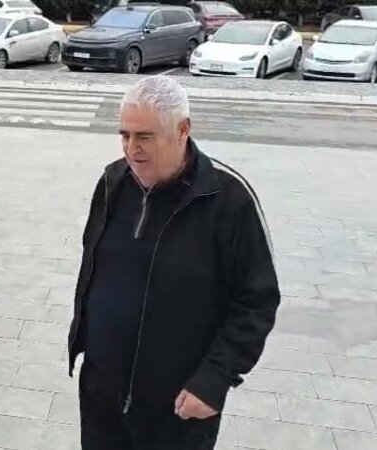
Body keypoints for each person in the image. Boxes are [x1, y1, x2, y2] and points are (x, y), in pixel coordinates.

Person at [67, 75, 280, 450]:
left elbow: (257, 300)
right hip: (102, 396)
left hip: (178, 408)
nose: (132, 149)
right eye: (124, 135)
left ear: (182, 130)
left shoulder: (227, 200)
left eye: (145, 137)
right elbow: (94, 267)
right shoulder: (112, 182)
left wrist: (215, 379)